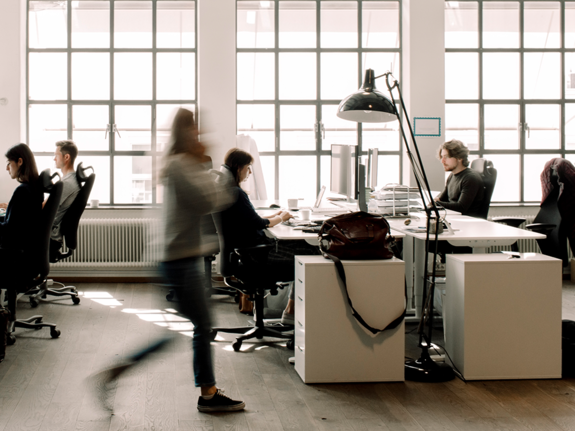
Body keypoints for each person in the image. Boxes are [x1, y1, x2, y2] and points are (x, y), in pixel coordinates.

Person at [91, 108, 243, 413]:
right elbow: (208, 201)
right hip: (179, 260)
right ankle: (207, 394)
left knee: (189, 328)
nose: (199, 134)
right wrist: (226, 179)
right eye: (194, 129)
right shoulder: (179, 165)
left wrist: (210, 171)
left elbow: (205, 200)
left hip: (182, 257)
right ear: (183, 132)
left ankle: (120, 373)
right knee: (200, 326)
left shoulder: (184, 163)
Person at [219, 148, 320, 324]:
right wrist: (281, 218)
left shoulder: (229, 191)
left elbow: (252, 219)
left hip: (248, 254)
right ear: (239, 167)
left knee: (307, 248)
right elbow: (258, 224)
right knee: (312, 254)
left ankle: (291, 311)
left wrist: (276, 216)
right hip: (258, 255)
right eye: (248, 167)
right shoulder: (237, 193)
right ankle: (292, 312)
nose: (249, 172)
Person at [0, 143, 43, 267]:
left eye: (9, 163)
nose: (7, 168)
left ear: (19, 161)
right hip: (27, 251)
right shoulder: (35, 188)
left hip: (14, 253)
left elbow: (10, 231)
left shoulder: (22, 191)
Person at [434, 139, 484, 217]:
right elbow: (441, 199)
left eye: (446, 157)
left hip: (467, 223)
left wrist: (435, 202)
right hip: (453, 218)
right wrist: (434, 201)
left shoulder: (470, 178)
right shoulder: (452, 176)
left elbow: (461, 208)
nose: (442, 161)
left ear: (460, 157)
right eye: (442, 157)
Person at [48, 140, 80, 257]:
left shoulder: (66, 183)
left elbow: (44, 207)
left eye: (56, 155)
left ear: (66, 157)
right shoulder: (69, 179)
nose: (54, 158)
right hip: (51, 235)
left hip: (50, 238)